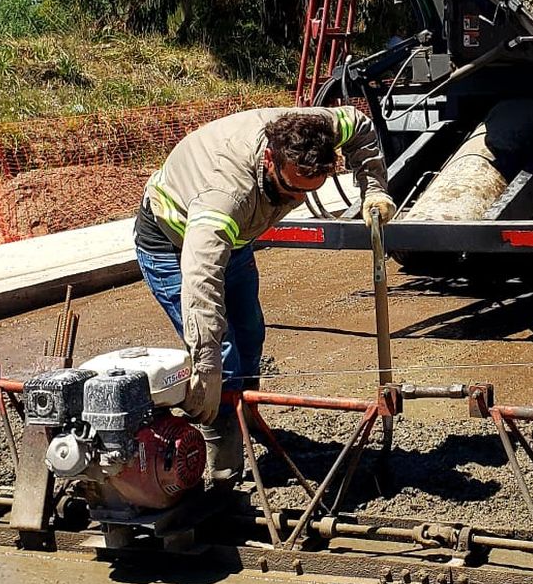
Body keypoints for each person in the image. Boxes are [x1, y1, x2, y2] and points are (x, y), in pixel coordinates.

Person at [136, 106, 394, 484]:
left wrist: (373, 187)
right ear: (270, 158)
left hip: (236, 237)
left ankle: (243, 411)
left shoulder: (320, 128)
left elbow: (361, 126)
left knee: (251, 331)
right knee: (222, 352)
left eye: (310, 191)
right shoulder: (225, 194)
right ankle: (222, 456)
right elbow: (200, 285)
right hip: (172, 242)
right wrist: (206, 368)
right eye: (290, 189)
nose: (297, 200)